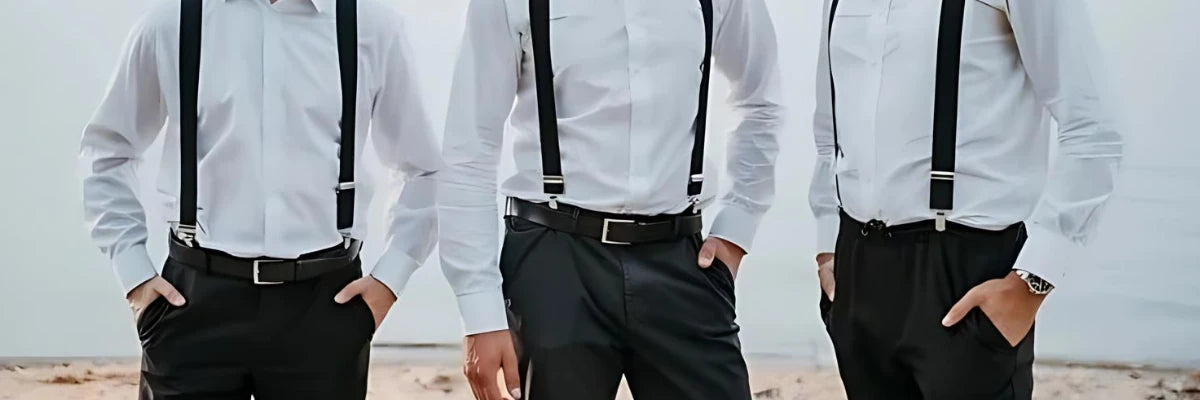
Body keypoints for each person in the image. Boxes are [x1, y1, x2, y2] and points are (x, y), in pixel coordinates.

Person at [79, 0, 440, 398]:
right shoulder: (171, 24)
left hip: (324, 305)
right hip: (192, 303)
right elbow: (107, 151)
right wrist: (135, 275)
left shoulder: (372, 27)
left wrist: (390, 278)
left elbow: (423, 169)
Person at [438, 0, 783, 398]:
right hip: (554, 261)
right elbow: (470, 146)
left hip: (681, 258)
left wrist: (738, 226)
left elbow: (760, 102)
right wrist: (479, 310)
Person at [810, 0, 1123, 398]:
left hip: (966, 273)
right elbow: (829, 133)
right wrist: (827, 248)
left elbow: (1093, 131)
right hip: (859, 270)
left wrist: (1031, 283)